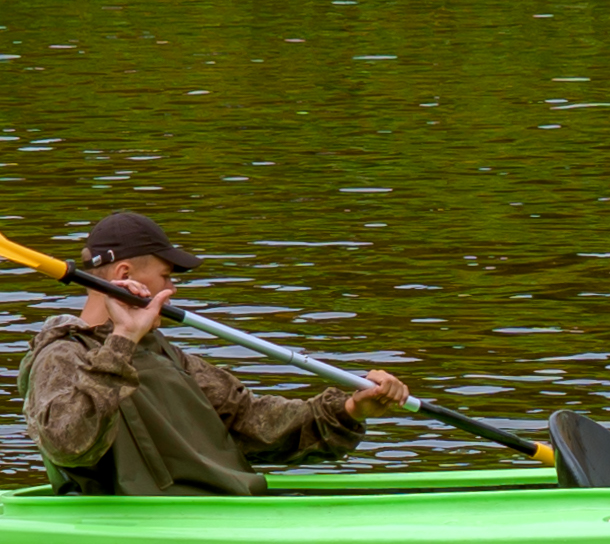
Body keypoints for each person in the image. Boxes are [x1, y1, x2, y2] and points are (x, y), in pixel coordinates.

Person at [23, 210, 413, 496]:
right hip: (154, 525)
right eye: (167, 277)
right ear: (124, 278)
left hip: (224, 509)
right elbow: (68, 445)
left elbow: (253, 422)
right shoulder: (60, 357)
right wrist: (121, 340)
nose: (172, 290)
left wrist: (350, 409)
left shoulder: (169, 356)